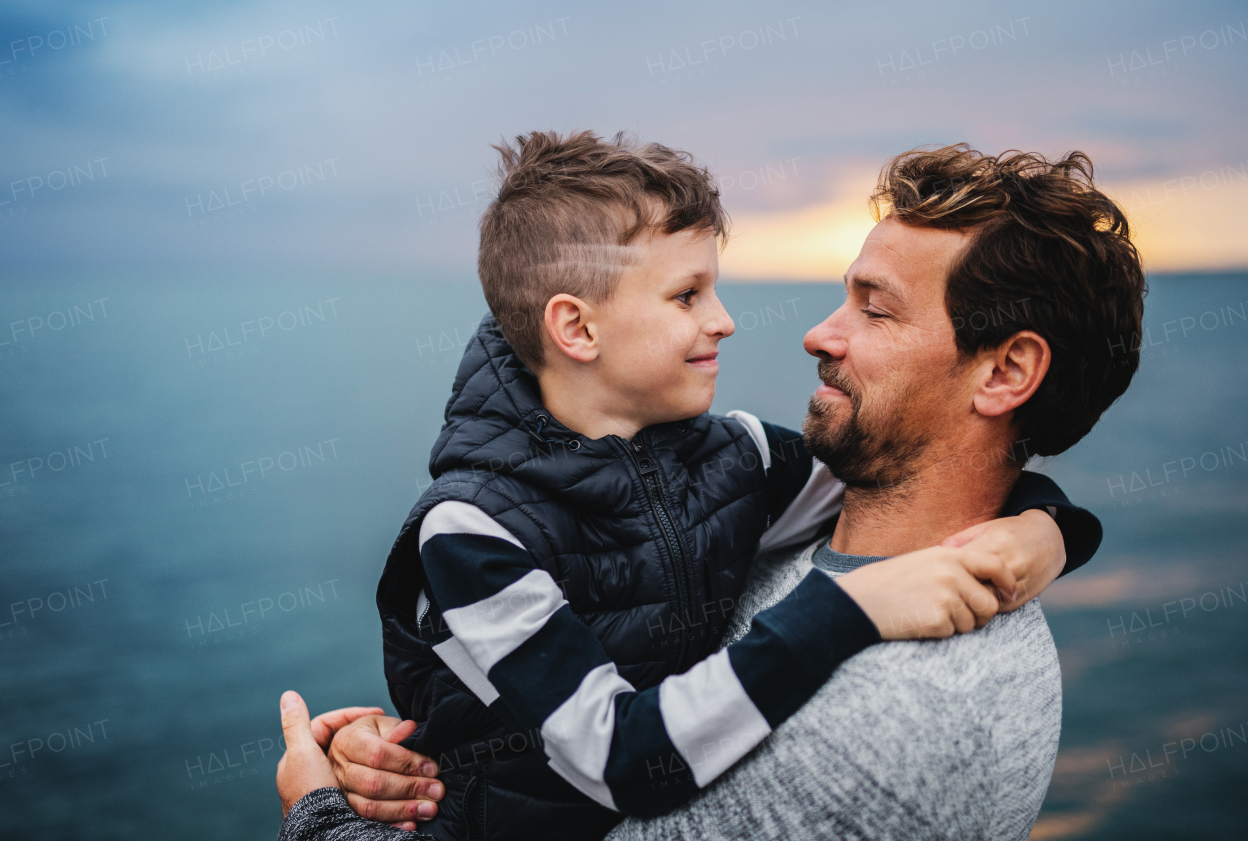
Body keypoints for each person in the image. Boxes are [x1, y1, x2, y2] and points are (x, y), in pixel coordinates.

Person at [276, 138, 1121, 841]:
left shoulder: (899, 717)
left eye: (877, 309)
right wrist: (404, 752)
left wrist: (317, 817)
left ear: (1008, 370)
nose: (807, 332)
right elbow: (596, 732)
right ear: (575, 327)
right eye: (687, 294)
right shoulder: (486, 527)